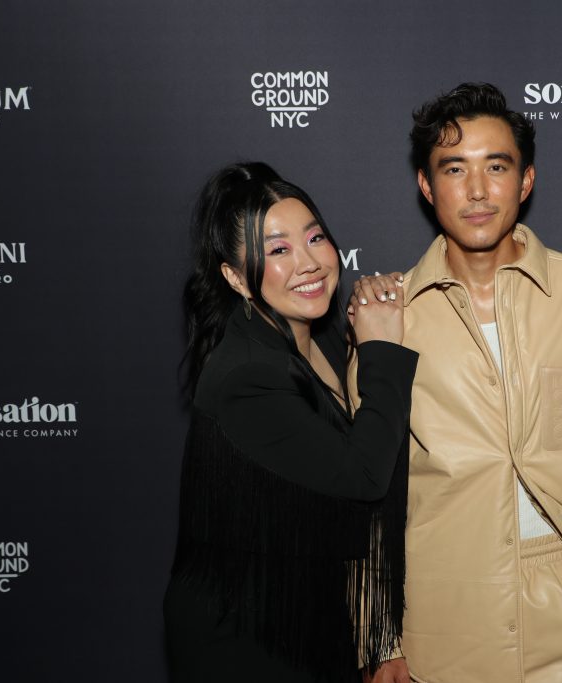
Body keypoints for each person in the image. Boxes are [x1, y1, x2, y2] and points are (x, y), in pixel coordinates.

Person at [356, 83, 562, 683]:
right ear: (427, 186)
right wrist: (380, 638)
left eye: (497, 167)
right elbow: (366, 499)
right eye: (455, 169)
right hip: (440, 623)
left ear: (526, 180)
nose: (479, 190)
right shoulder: (390, 317)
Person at [163, 162, 418, 683]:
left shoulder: (317, 336)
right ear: (234, 277)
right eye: (278, 250)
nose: (310, 263)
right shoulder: (246, 376)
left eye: (315, 238)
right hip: (245, 639)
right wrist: (383, 350)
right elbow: (363, 478)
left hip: (307, 617)